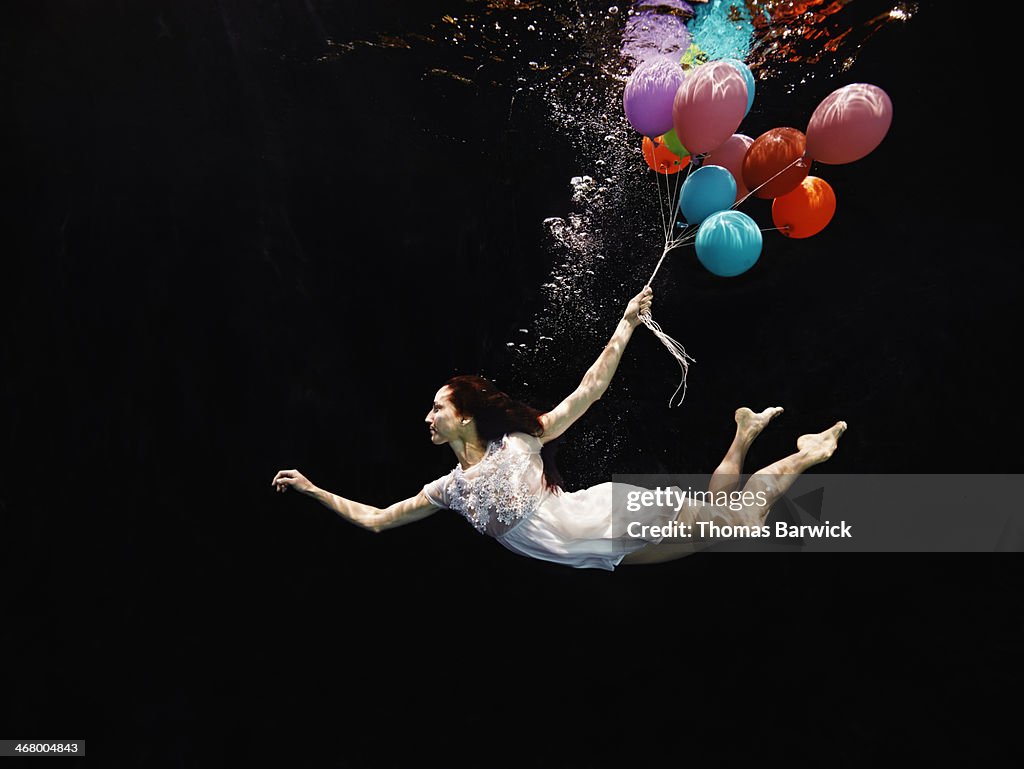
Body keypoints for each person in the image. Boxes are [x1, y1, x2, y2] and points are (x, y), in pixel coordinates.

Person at [271, 286, 847, 570]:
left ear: (464, 415)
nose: (427, 417)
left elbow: (589, 390)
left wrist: (626, 323)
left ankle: (804, 455)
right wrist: (309, 488)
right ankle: (744, 433)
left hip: (593, 518)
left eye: (437, 408)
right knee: (716, 531)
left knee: (736, 524)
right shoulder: (445, 490)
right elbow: (375, 520)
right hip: (587, 551)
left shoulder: (518, 443)